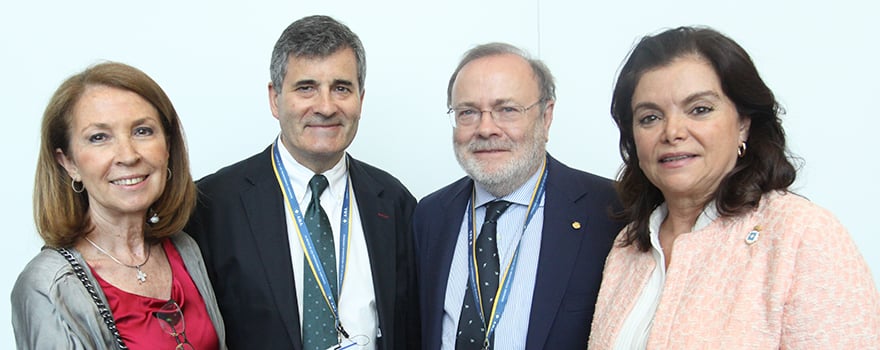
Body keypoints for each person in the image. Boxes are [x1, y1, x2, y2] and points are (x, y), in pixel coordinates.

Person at [589, 26, 880, 349]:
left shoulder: (801, 234)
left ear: (743, 123)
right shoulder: (627, 247)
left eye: (699, 109)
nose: (672, 132)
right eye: (649, 117)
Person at [185, 15, 419, 350]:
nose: (325, 107)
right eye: (306, 88)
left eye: (341, 88)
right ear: (274, 98)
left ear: (361, 100)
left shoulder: (394, 203)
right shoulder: (211, 205)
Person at [414, 42, 624, 349]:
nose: (486, 128)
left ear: (546, 116)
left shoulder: (610, 211)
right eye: (468, 112)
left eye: (507, 110)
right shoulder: (430, 215)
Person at [11, 62, 226, 349]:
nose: (127, 155)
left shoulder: (184, 249)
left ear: (167, 147)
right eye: (99, 137)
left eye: (142, 131)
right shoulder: (49, 285)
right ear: (69, 163)